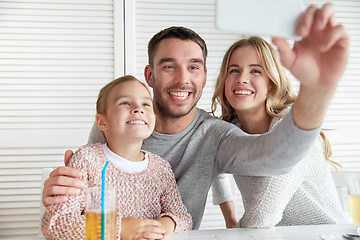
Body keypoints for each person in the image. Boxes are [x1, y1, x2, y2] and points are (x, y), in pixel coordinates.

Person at [42, 3, 349, 231]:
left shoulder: (217, 135)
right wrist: (59, 193)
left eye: (193, 67)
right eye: (168, 66)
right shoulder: (118, 124)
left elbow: (277, 157)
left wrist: (317, 90)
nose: (182, 79)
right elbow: (77, 206)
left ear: (203, 76)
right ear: (150, 74)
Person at [210, 36, 351, 228]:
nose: (242, 78)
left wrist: (236, 232)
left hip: (327, 234)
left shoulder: (291, 128)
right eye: (234, 70)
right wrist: (230, 218)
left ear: (271, 82)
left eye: (255, 71)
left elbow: (264, 214)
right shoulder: (229, 131)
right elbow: (212, 162)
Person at [41, 76, 192, 239]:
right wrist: (118, 229)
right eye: (125, 103)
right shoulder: (87, 159)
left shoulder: (161, 168)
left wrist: (166, 224)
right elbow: (56, 223)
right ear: (102, 122)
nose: (138, 109)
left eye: (146, 104)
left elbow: (183, 217)